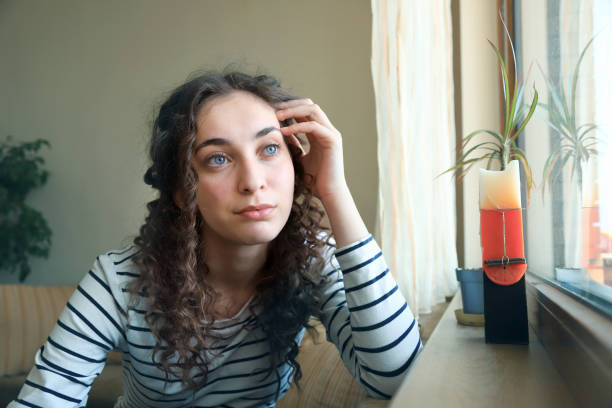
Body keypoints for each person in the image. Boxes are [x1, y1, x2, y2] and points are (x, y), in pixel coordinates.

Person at [9, 71, 422, 407]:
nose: (253, 182)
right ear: (180, 187)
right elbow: (44, 399)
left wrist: (334, 190)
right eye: (218, 159)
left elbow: (400, 382)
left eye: (269, 149)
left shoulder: (313, 264)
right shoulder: (120, 280)